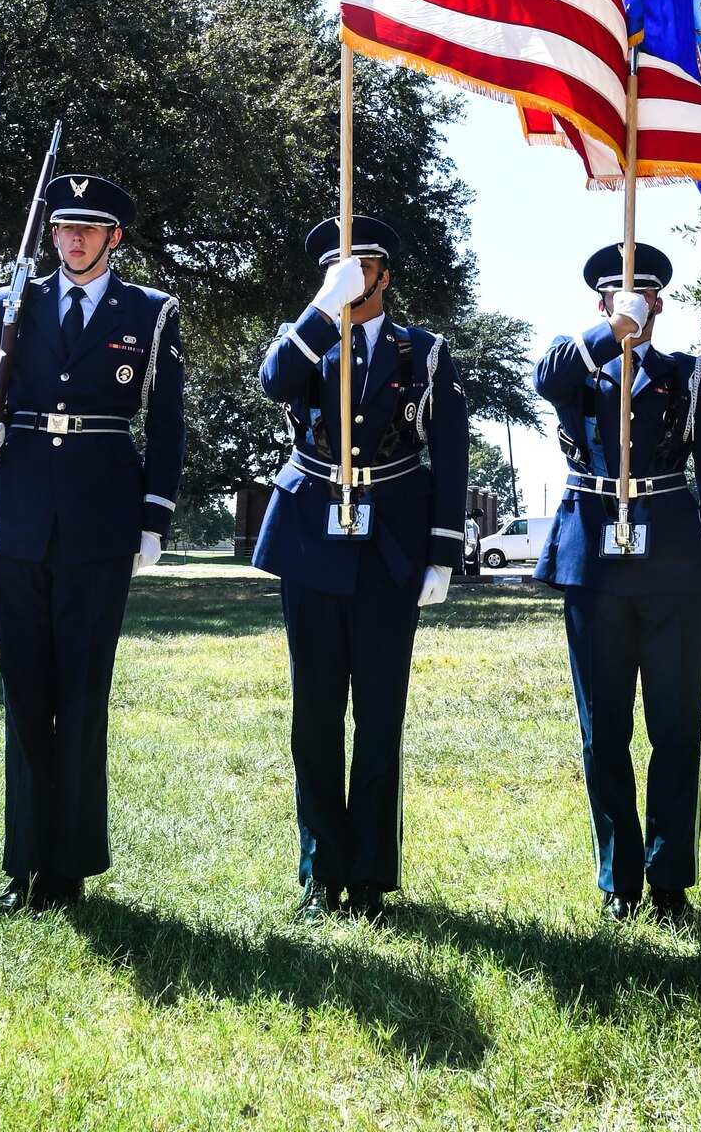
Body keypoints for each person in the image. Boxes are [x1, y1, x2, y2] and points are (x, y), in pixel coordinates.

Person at [0, 173, 185, 916]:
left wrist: (152, 516)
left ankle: (69, 869)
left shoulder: (150, 312)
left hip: (98, 512)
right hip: (18, 511)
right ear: (49, 234)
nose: (74, 240)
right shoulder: (8, 303)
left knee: (82, 695)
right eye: (63, 228)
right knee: (24, 696)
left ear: (114, 237)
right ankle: (22, 863)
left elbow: (168, 421)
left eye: (89, 229)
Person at [253, 215, 469, 923]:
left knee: (378, 712)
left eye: (361, 264)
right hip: (312, 535)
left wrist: (442, 550)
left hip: (391, 542)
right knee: (314, 713)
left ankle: (371, 872)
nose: (350, 275)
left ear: (384, 275)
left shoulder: (424, 352)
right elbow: (273, 382)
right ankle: (321, 871)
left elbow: (450, 453)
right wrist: (321, 308)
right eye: (335, 266)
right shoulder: (307, 338)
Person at [533, 242, 701, 923]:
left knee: (676, 727)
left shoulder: (688, 374)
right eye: (621, 296)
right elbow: (545, 379)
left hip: (672, 558)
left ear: (660, 303)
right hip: (592, 558)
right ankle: (618, 878)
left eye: (644, 297)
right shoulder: (578, 364)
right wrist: (606, 334)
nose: (634, 306)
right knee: (603, 730)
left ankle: (668, 876)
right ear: (600, 302)